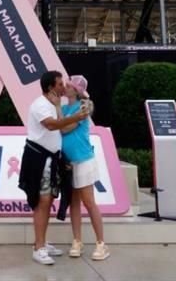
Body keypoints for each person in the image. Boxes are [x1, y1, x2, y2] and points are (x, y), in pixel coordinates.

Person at [19, 70, 90, 265]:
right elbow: (51, 126)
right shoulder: (40, 105)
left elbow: (61, 127)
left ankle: (42, 242)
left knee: (47, 200)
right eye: (60, 84)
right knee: (42, 202)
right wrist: (77, 117)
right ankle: (38, 248)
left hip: (51, 159)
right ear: (51, 87)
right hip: (39, 159)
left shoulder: (53, 104)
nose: (63, 87)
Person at [59, 75, 109, 261]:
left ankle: (101, 243)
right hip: (68, 162)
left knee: (88, 201)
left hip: (84, 160)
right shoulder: (64, 108)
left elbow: (65, 128)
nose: (66, 87)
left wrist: (59, 115)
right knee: (74, 202)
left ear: (76, 91)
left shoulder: (82, 108)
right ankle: (77, 241)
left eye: (69, 86)